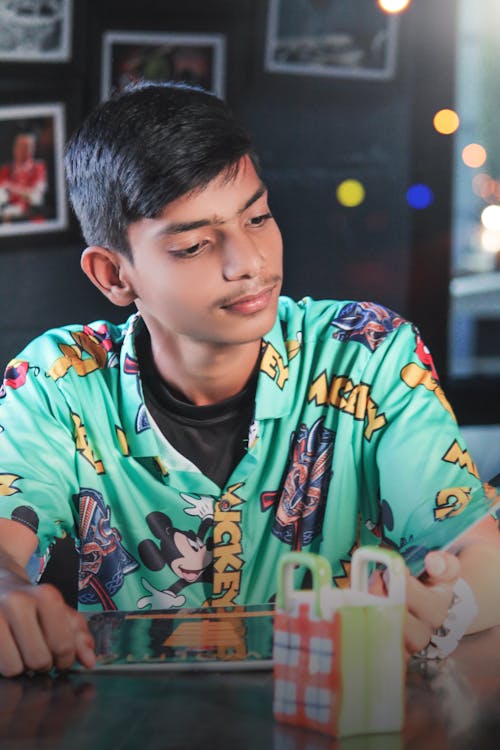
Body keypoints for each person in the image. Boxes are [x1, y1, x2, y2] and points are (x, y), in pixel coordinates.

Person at [0, 81, 499, 678]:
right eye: (194, 245)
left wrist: (445, 603)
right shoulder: (57, 381)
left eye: (258, 217)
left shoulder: (368, 353)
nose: (250, 263)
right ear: (113, 274)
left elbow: (478, 555)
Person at [0, 129, 47, 222]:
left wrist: (11, 188)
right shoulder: (5, 169)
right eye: (21, 146)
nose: (23, 150)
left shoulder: (39, 168)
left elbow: (37, 196)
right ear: (14, 148)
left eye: (27, 147)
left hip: (32, 219)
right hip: (8, 219)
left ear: (33, 149)